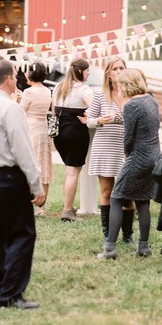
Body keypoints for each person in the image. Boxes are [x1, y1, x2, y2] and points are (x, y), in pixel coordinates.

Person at [0, 59, 46, 309]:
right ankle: (11, 294)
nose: (17, 79)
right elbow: (23, 150)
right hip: (9, 176)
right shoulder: (10, 108)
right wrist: (36, 185)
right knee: (22, 234)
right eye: (15, 76)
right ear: (7, 79)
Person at [98, 69, 160, 260]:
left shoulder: (132, 105)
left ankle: (110, 248)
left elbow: (128, 137)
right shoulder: (150, 100)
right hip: (154, 155)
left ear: (126, 85)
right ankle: (144, 247)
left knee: (116, 197)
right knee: (142, 200)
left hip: (138, 157)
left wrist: (128, 156)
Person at [86, 56, 135, 246]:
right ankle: (108, 233)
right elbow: (89, 120)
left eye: (122, 68)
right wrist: (99, 121)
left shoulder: (132, 94)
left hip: (126, 148)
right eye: (115, 69)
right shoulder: (99, 95)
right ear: (108, 74)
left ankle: (127, 234)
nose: (119, 71)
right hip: (105, 146)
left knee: (127, 193)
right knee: (106, 191)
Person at [52, 58, 94, 222]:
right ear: (80, 71)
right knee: (72, 173)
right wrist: (89, 117)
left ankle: (68, 206)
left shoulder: (58, 86)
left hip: (59, 133)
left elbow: (53, 109)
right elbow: (95, 107)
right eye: (88, 70)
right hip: (75, 132)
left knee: (69, 171)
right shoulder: (84, 89)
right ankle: (68, 211)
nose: (89, 73)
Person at [20, 61, 53, 217]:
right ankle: (41, 208)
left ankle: (27, 203)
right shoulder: (47, 91)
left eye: (27, 71)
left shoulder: (28, 92)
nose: (25, 74)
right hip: (43, 129)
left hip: (29, 129)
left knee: (29, 165)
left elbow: (21, 111)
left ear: (32, 74)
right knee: (43, 165)